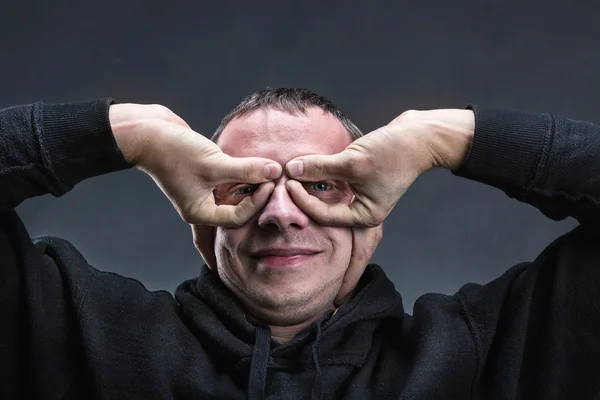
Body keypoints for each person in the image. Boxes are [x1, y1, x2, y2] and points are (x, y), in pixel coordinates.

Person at [0, 88, 598, 400]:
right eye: (244, 186)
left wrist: (442, 136)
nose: (281, 215)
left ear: (374, 216)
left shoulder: (488, 349)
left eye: (320, 186)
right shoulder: (75, 331)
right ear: (201, 222)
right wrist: (124, 133)